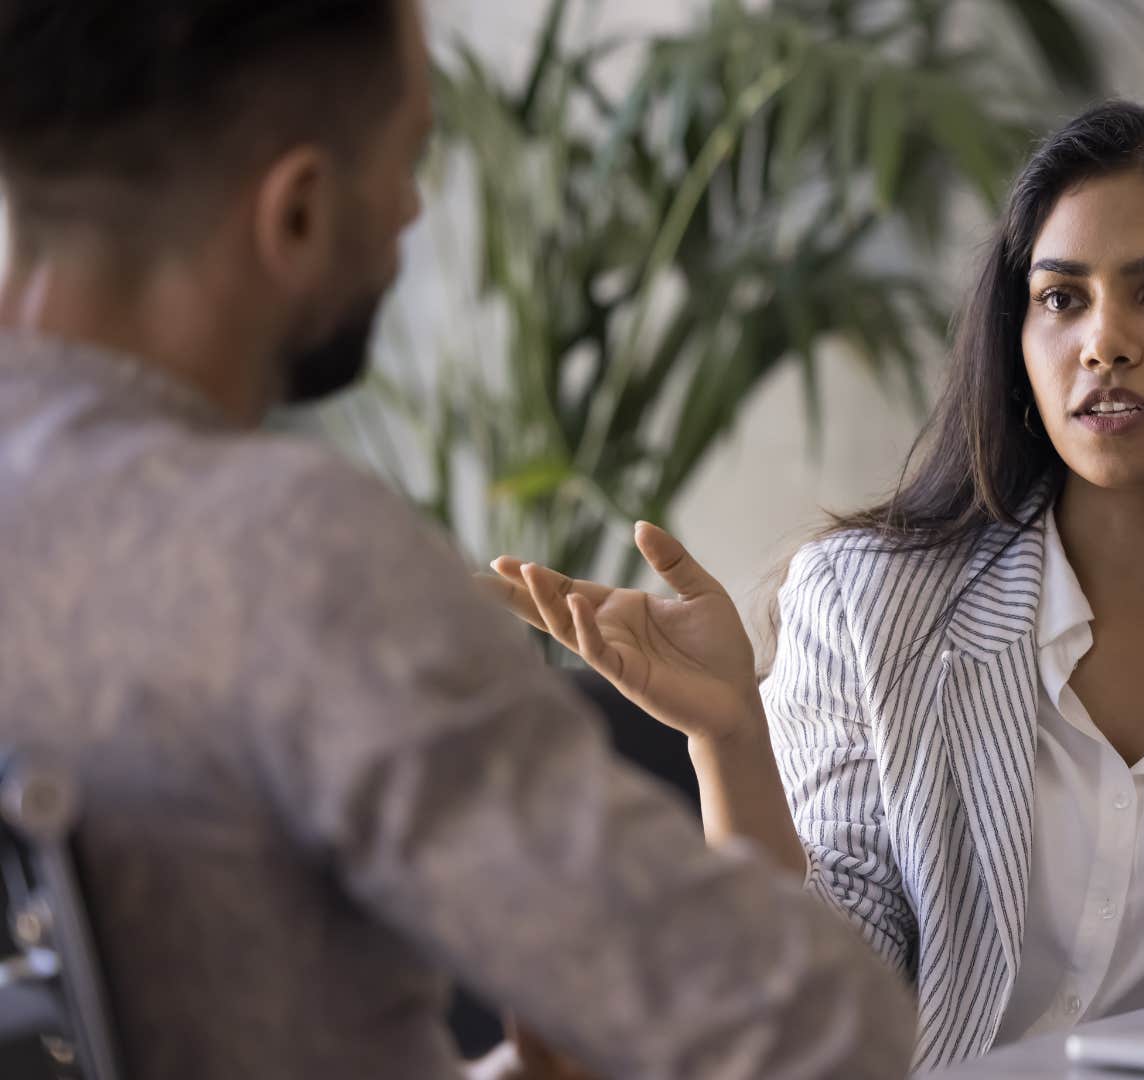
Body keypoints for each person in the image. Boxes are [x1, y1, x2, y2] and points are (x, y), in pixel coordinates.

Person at [488, 101, 1144, 1070]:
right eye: (1061, 300)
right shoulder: (866, 605)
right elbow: (814, 999)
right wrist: (728, 738)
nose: (1104, 343)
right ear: (1018, 348)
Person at [0, 2, 914, 1077]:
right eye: (405, 160)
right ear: (295, 213)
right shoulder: (289, 555)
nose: (410, 208)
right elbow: (809, 1026)